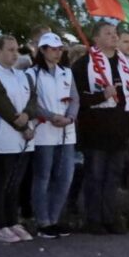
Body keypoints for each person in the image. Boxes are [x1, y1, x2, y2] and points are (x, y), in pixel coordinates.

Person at [72, 20, 129, 235]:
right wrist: (102, 94)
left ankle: (109, 216)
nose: (113, 36)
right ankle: (93, 218)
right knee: (95, 176)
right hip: (95, 131)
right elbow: (77, 99)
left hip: (119, 130)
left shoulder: (125, 64)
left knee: (113, 178)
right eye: (108, 33)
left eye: (114, 33)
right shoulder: (83, 65)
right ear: (96, 39)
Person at [0, 35, 38, 243]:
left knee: (15, 183)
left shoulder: (22, 75)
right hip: (2, 138)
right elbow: (2, 105)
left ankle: (12, 220)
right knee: (0, 183)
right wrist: (21, 124)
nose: (15, 54)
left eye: (16, 50)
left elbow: (32, 99)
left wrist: (28, 116)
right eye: (10, 50)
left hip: (23, 137)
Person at [28, 33, 79, 238]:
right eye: (52, 48)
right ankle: (43, 221)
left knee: (65, 175)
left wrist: (70, 117)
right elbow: (32, 102)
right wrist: (51, 116)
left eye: (59, 49)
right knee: (43, 175)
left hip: (66, 131)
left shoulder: (66, 72)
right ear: (42, 50)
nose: (57, 52)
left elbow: (75, 98)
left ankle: (55, 217)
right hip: (44, 132)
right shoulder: (32, 74)